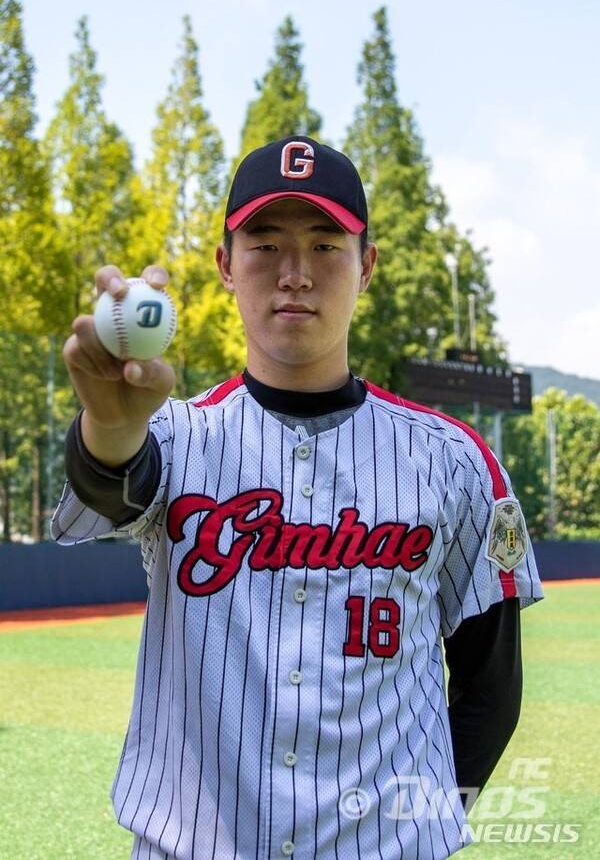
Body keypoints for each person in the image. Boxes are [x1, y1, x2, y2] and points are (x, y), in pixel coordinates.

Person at [51, 135, 544, 860]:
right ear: (225, 265)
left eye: (324, 244)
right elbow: (116, 480)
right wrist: (111, 423)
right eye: (265, 244)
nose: (295, 274)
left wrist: (419, 829)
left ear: (366, 265)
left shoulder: (454, 460)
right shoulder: (177, 435)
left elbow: (490, 691)